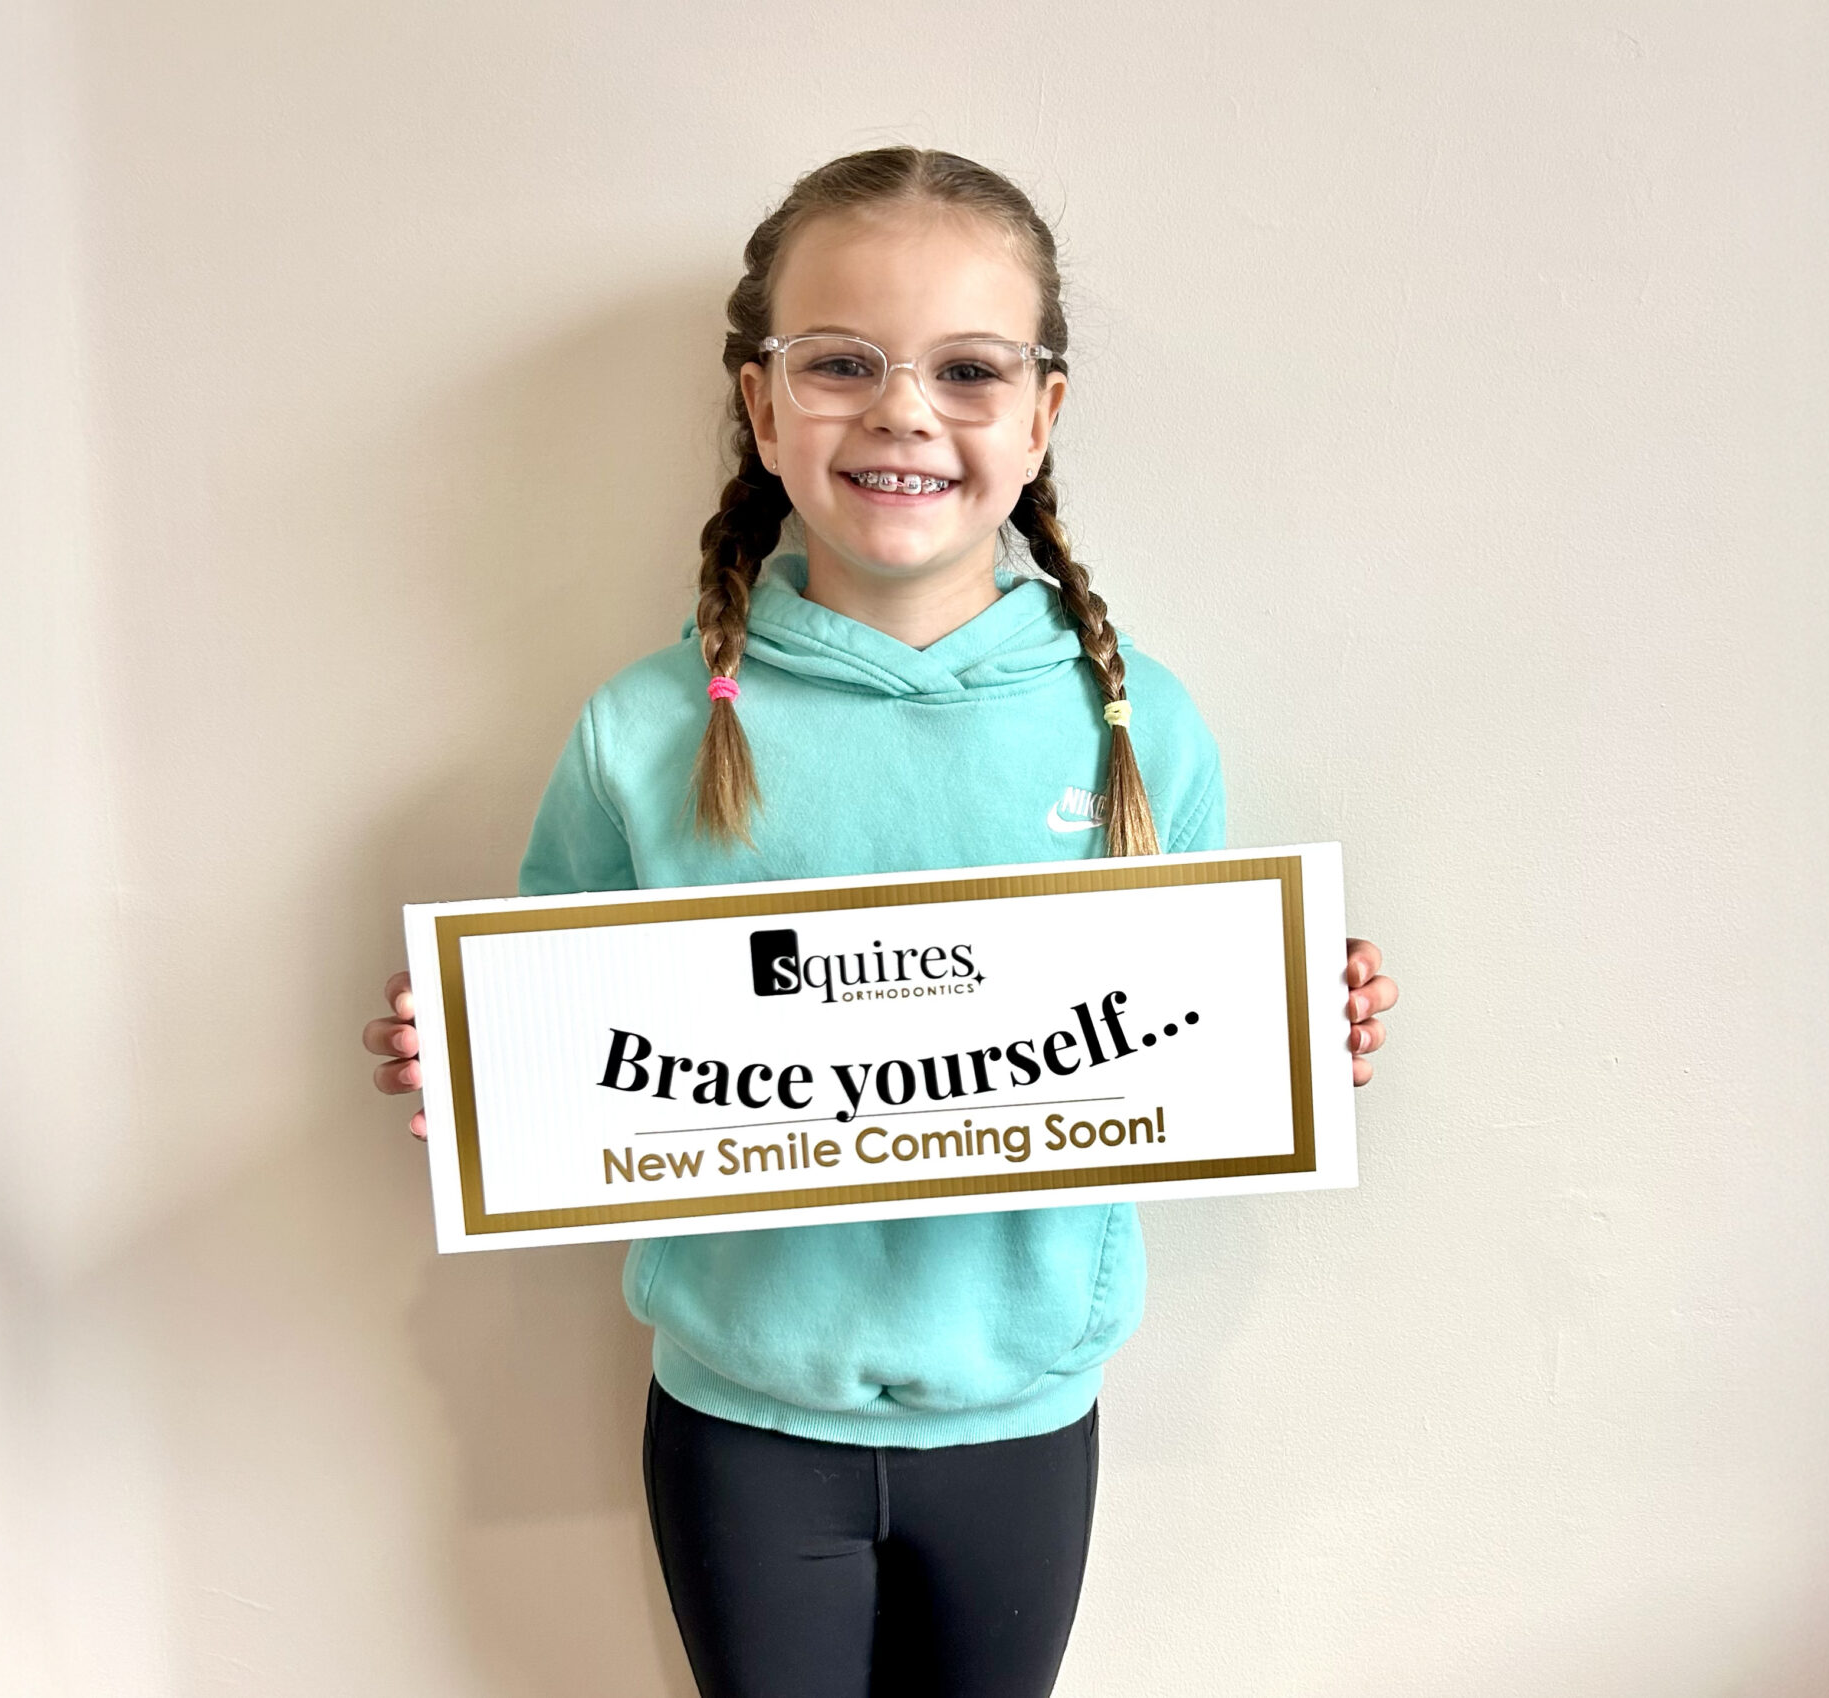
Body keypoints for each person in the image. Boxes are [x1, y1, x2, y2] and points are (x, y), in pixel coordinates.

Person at [363, 147, 1399, 1698]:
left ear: (1042, 412)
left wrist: (1297, 1029)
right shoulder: (643, 733)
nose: (904, 410)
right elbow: (549, 1043)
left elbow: (1187, 1042)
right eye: (842, 363)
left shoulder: (1137, 730)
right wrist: (468, 1065)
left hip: (1027, 1411)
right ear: (762, 402)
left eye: (968, 368)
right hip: (740, 1418)